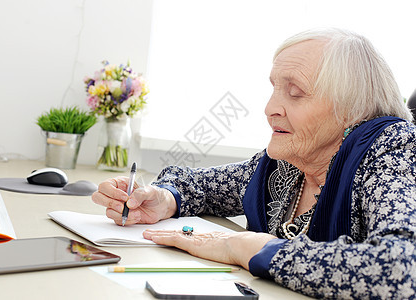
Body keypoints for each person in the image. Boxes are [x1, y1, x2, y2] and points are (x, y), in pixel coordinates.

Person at [92, 28, 416, 299]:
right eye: (274, 88)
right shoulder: (290, 161)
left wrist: (254, 248)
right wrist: (163, 198)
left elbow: (402, 270)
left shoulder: (392, 149)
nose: (270, 108)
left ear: (351, 110)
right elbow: (203, 186)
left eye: (295, 93)